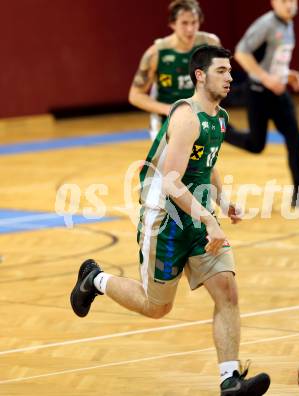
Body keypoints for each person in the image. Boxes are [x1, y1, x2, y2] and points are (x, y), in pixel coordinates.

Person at [71, 45, 271, 396]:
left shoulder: (218, 117)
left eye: (229, 71)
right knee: (157, 306)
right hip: (164, 217)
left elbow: (208, 163)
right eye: (222, 71)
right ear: (200, 75)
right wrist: (210, 219)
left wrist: (224, 202)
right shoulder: (186, 115)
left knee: (227, 289)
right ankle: (95, 279)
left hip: (196, 213)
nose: (230, 77)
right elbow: (170, 181)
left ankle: (230, 379)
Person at [224, 0, 299, 206]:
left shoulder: (288, 23)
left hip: (278, 93)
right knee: (256, 145)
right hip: (259, 93)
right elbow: (242, 52)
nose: (289, 5)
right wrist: (267, 78)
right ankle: (221, 131)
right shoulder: (266, 24)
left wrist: (286, 74)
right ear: (273, 3)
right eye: (283, 1)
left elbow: (272, 58)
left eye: (292, 1)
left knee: (294, 138)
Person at [128, 0, 220, 140]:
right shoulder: (156, 53)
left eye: (194, 22)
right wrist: (170, 109)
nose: (190, 29)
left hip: (200, 116)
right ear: (172, 24)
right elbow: (135, 96)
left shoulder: (210, 44)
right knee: (172, 161)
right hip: (166, 119)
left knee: (197, 161)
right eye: (184, 23)